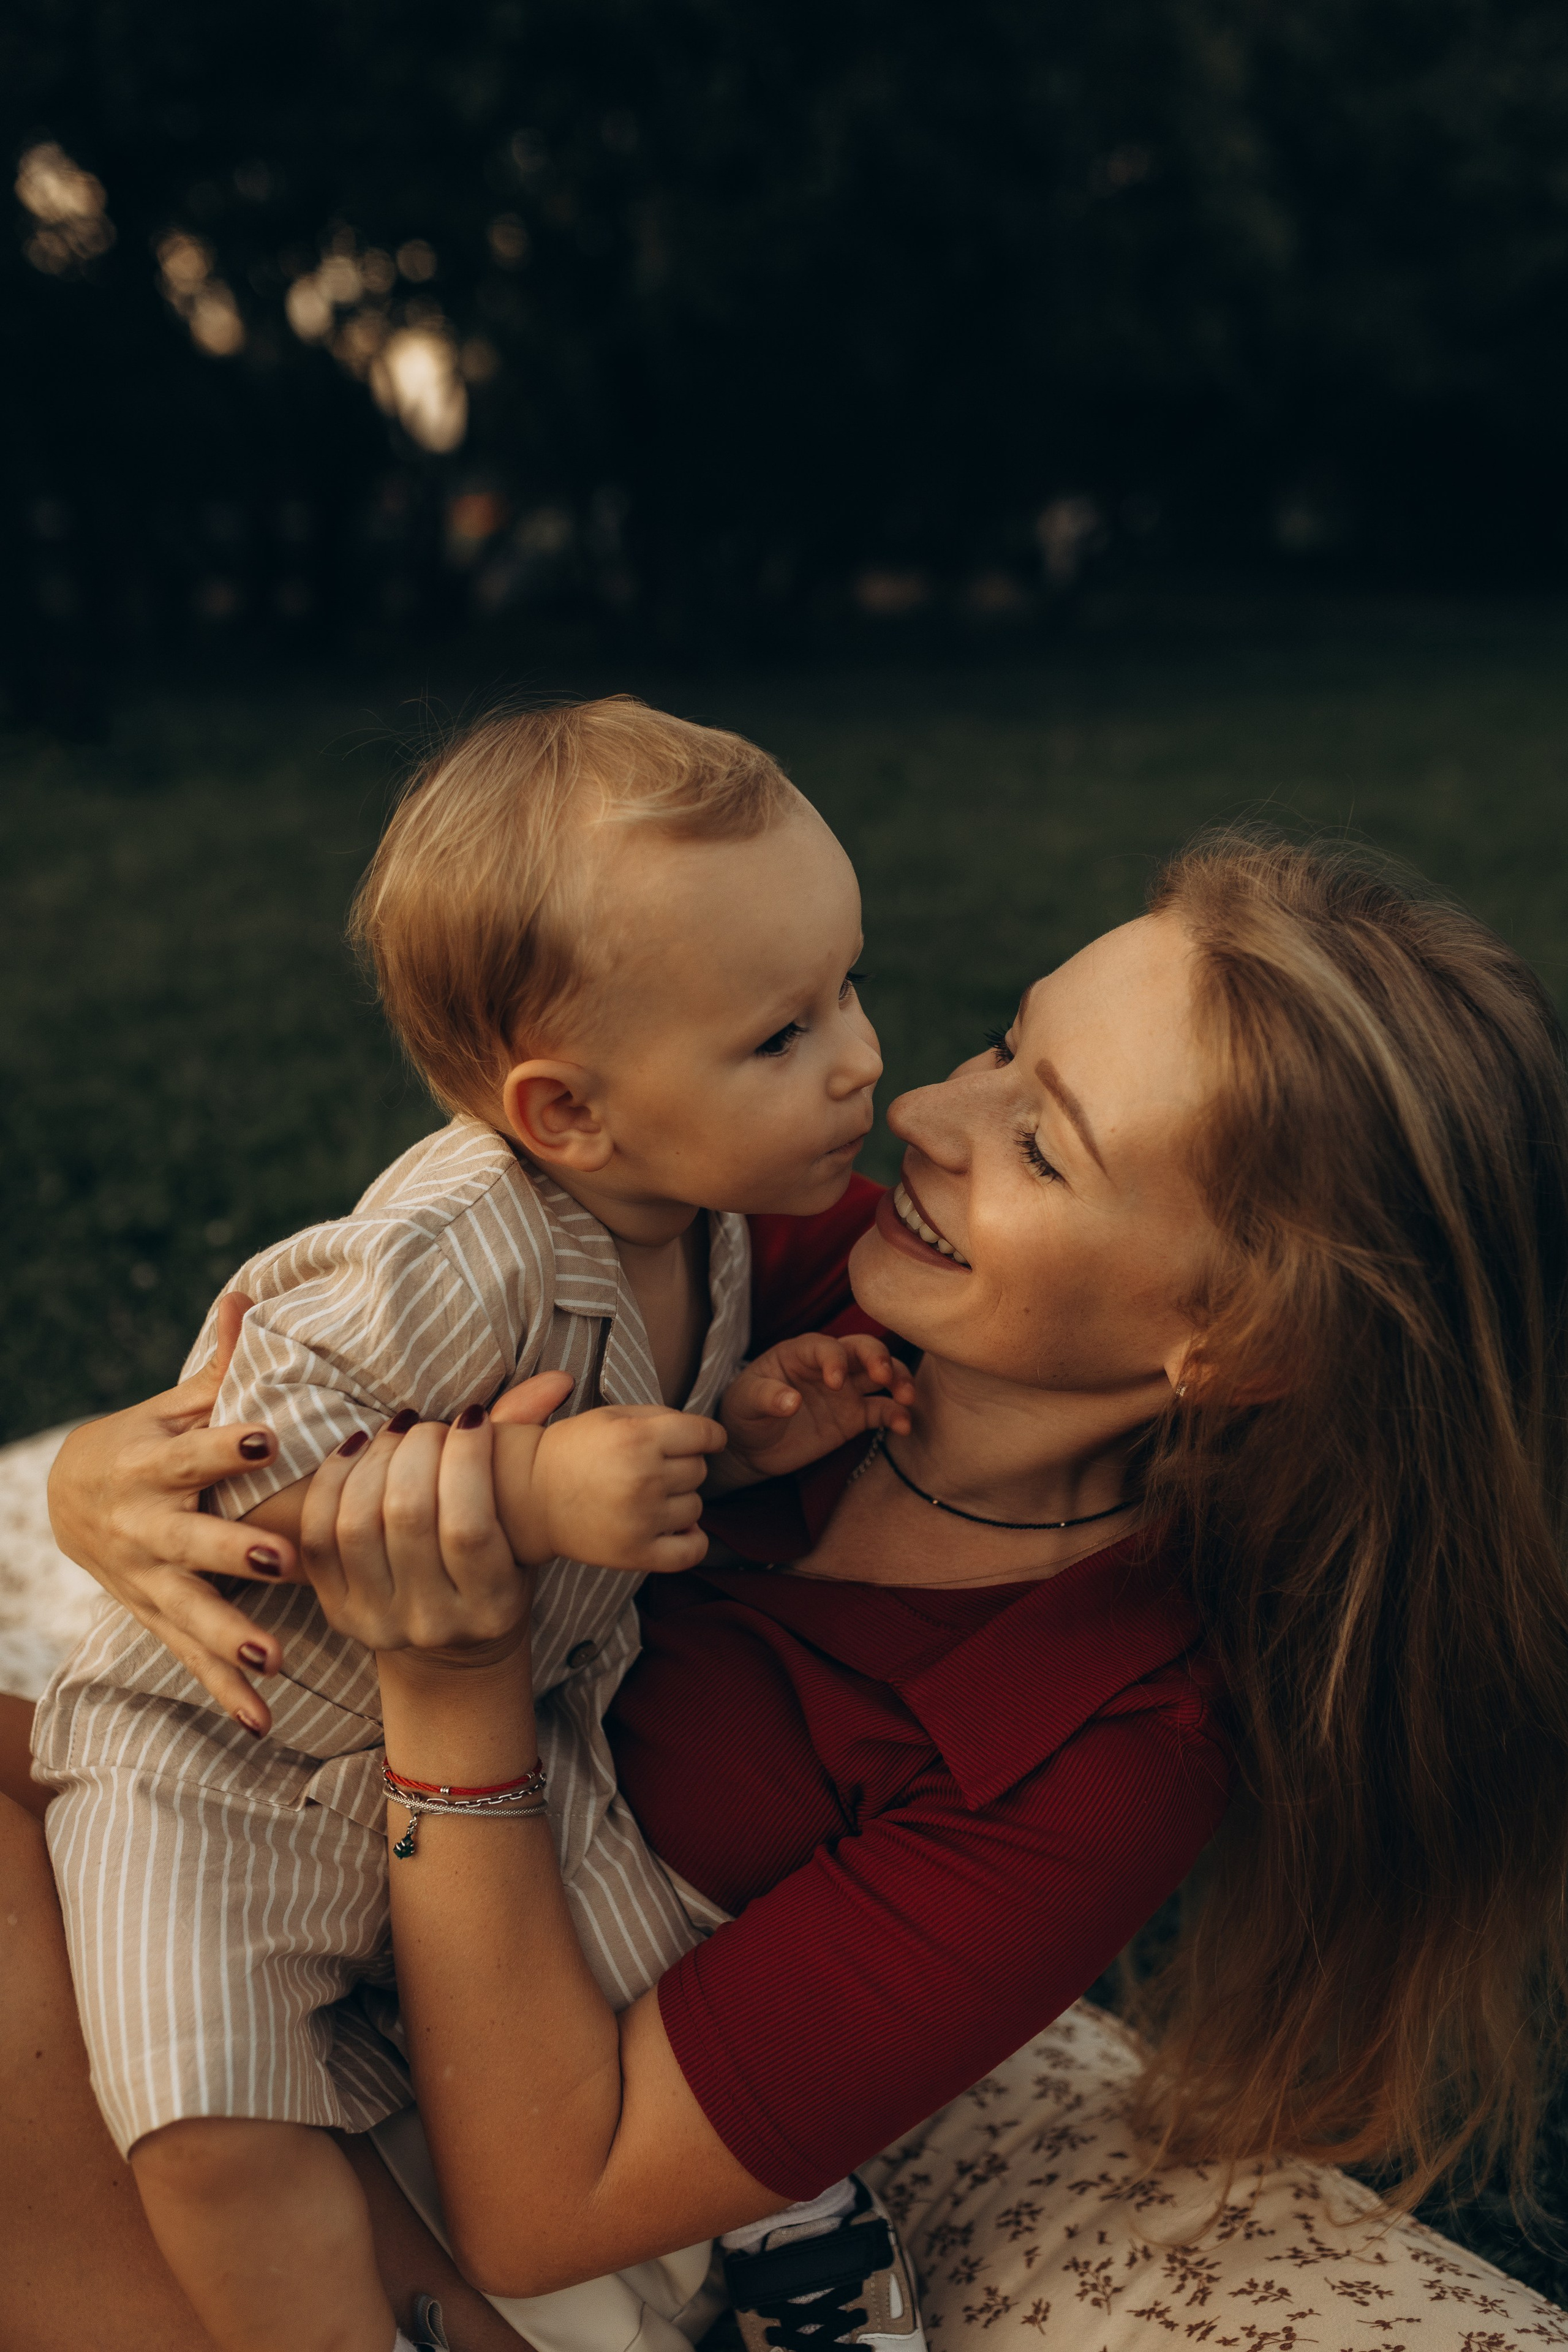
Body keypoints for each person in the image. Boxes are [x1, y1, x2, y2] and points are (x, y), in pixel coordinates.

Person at [7, 832, 1568, 2352]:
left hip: (444, 2211)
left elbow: (550, 2203)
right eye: (993, 1047)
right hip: (291, 1933)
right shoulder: (765, 1262)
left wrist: (457, 1687)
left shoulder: (1101, 1748)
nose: (928, 1111)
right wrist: (104, 1489)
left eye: (1039, 1145)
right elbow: (348, 1346)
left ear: (1234, 1344)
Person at [28, 694, 912, 2352]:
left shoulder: (702, 1226)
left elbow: (615, 1457)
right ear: (567, 1110)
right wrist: (527, 1488)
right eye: (783, 1034)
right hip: (223, 1761)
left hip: (496, 1735)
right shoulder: (451, 1253)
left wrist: (732, 1443)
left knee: (666, 1981)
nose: (862, 1055)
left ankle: (783, 2230)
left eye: (848, 986)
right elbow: (226, 1474)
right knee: (216, 2123)